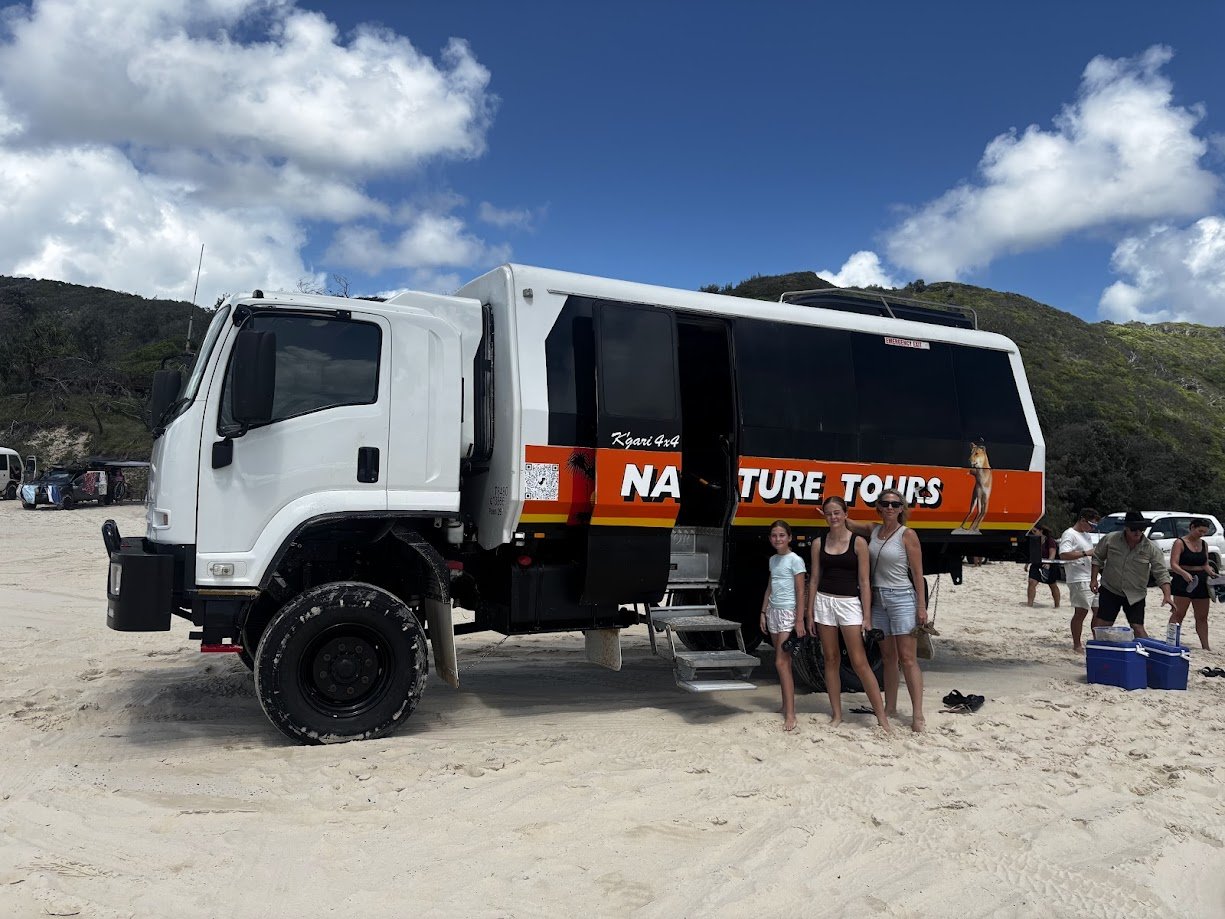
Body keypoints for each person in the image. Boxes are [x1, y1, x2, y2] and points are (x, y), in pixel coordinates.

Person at [846, 487, 927, 733]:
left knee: (908, 658)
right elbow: (848, 523)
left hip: (903, 598)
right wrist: (829, 512)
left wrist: (921, 607)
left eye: (895, 504)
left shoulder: (907, 535)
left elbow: (917, 573)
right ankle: (890, 707)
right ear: (878, 507)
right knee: (888, 657)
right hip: (878, 599)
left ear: (902, 509)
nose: (890, 508)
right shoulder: (874, 530)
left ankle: (918, 715)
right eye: (885, 503)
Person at [806, 496, 890, 731]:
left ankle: (881, 717)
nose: (833, 517)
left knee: (859, 661)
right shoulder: (818, 543)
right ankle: (836, 714)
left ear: (845, 514)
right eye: (828, 513)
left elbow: (865, 582)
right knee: (831, 659)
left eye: (837, 513)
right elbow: (814, 579)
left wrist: (866, 615)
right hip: (824, 602)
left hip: (849, 604)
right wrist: (810, 612)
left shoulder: (858, 543)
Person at [1091, 510, 1172, 640]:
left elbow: (1161, 572)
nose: (1137, 532)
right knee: (1102, 625)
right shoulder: (1111, 539)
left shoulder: (1151, 548)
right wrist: (1093, 579)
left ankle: (1145, 655)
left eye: (1141, 529)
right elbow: (1097, 557)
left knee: (1138, 627)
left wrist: (1167, 595)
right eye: (1134, 528)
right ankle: (1100, 653)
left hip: (1136, 594)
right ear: (1126, 528)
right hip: (1110, 589)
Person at [760, 520, 806, 732]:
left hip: (788, 613)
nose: (777, 539)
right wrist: (763, 612)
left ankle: (791, 714)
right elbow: (770, 585)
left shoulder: (795, 560)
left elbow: (800, 590)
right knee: (783, 663)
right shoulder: (773, 560)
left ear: (789, 537)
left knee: (781, 662)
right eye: (774, 536)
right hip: (773, 612)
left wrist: (799, 619)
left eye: (781, 535)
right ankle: (785, 705)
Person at [1168, 517, 1215, 650]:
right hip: (1183, 580)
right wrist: (1184, 573)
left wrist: (1212, 573)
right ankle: (1171, 642)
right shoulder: (1180, 542)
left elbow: (1205, 564)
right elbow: (1173, 564)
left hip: (1201, 580)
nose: (1202, 534)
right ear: (1192, 527)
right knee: (1179, 613)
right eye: (1200, 531)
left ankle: (1205, 646)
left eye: (1204, 532)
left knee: (1202, 616)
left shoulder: (1204, 544)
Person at [1058, 507, 1100, 651]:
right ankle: (1077, 644)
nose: (1093, 528)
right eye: (1091, 525)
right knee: (1081, 612)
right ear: (1082, 520)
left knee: (1099, 612)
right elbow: (1063, 554)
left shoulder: (1086, 535)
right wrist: (1085, 553)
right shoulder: (1069, 534)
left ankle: (1097, 641)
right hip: (1078, 578)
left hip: (1092, 577)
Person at [1026, 525, 1061, 608]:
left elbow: (1052, 552)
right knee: (1031, 582)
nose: (1032, 533)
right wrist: (1027, 563)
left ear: (1041, 531)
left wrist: (1049, 563)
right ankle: (1030, 604)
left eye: (1034, 531)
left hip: (1050, 564)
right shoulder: (1033, 540)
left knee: (1052, 585)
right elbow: (1032, 553)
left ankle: (1057, 605)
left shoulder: (1050, 540)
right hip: (1037, 563)